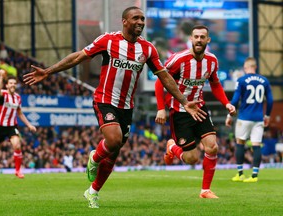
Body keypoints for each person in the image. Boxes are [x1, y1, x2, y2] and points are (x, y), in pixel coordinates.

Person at [23, 6, 207, 208]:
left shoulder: (147, 49)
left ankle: (92, 191)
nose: (140, 22)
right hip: (104, 99)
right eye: (135, 18)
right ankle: (94, 157)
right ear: (124, 21)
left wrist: (183, 101)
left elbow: (164, 76)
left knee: (113, 152)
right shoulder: (108, 41)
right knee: (114, 139)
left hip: (126, 107)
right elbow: (78, 57)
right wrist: (49, 71)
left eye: (142, 19)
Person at [155, 25, 236, 199]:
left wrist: (227, 104)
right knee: (192, 158)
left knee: (212, 146)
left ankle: (205, 190)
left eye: (202, 37)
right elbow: (160, 81)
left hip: (199, 108)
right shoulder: (178, 59)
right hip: (179, 111)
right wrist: (161, 108)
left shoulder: (212, 61)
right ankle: (172, 147)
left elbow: (215, 84)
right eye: (196, 37)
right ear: (191, 39)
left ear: (208, 40)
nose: (199, 40)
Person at [225, 57, 273, 183]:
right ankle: (254, 176)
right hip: (258, 118)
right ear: (255, 67)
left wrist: (229, 116)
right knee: (256, 145)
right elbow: (270, 100)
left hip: (244, 117)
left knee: (240, 143)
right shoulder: (264, 80)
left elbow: (235, 100)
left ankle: (240, 174)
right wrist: (267, 116)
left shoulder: (241, 80)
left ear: (246, 68)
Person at [0, 69, 37, 178]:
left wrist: (29, 125)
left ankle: (18, 171)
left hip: (11, 126)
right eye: (10, 83)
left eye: (14, 83)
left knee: (17, 146)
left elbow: (20, 113)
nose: (13, 85)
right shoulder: (3, 94)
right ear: (7, 85)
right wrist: (0, 76)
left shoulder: (17, 97)